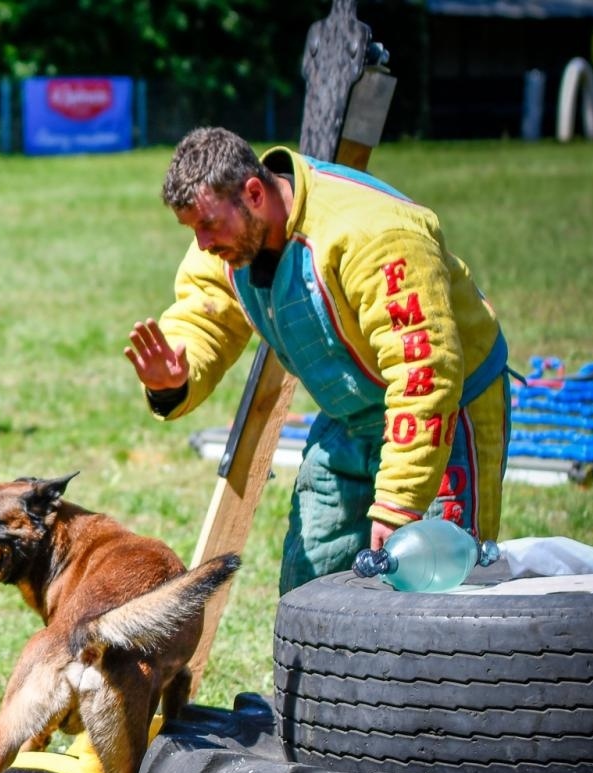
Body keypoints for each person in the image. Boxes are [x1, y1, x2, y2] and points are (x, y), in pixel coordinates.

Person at [124, 127, 512, 593]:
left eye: (208, 225)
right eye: (193, 230)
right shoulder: (230, 237)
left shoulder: (373, 235)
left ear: (253, 192)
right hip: (347, 415)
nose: (202, 243)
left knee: (437, 587)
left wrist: (398, 501)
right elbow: (204, 314)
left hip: (445, 411)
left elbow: (425, 376)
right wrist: (175, 376)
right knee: (310, 584)